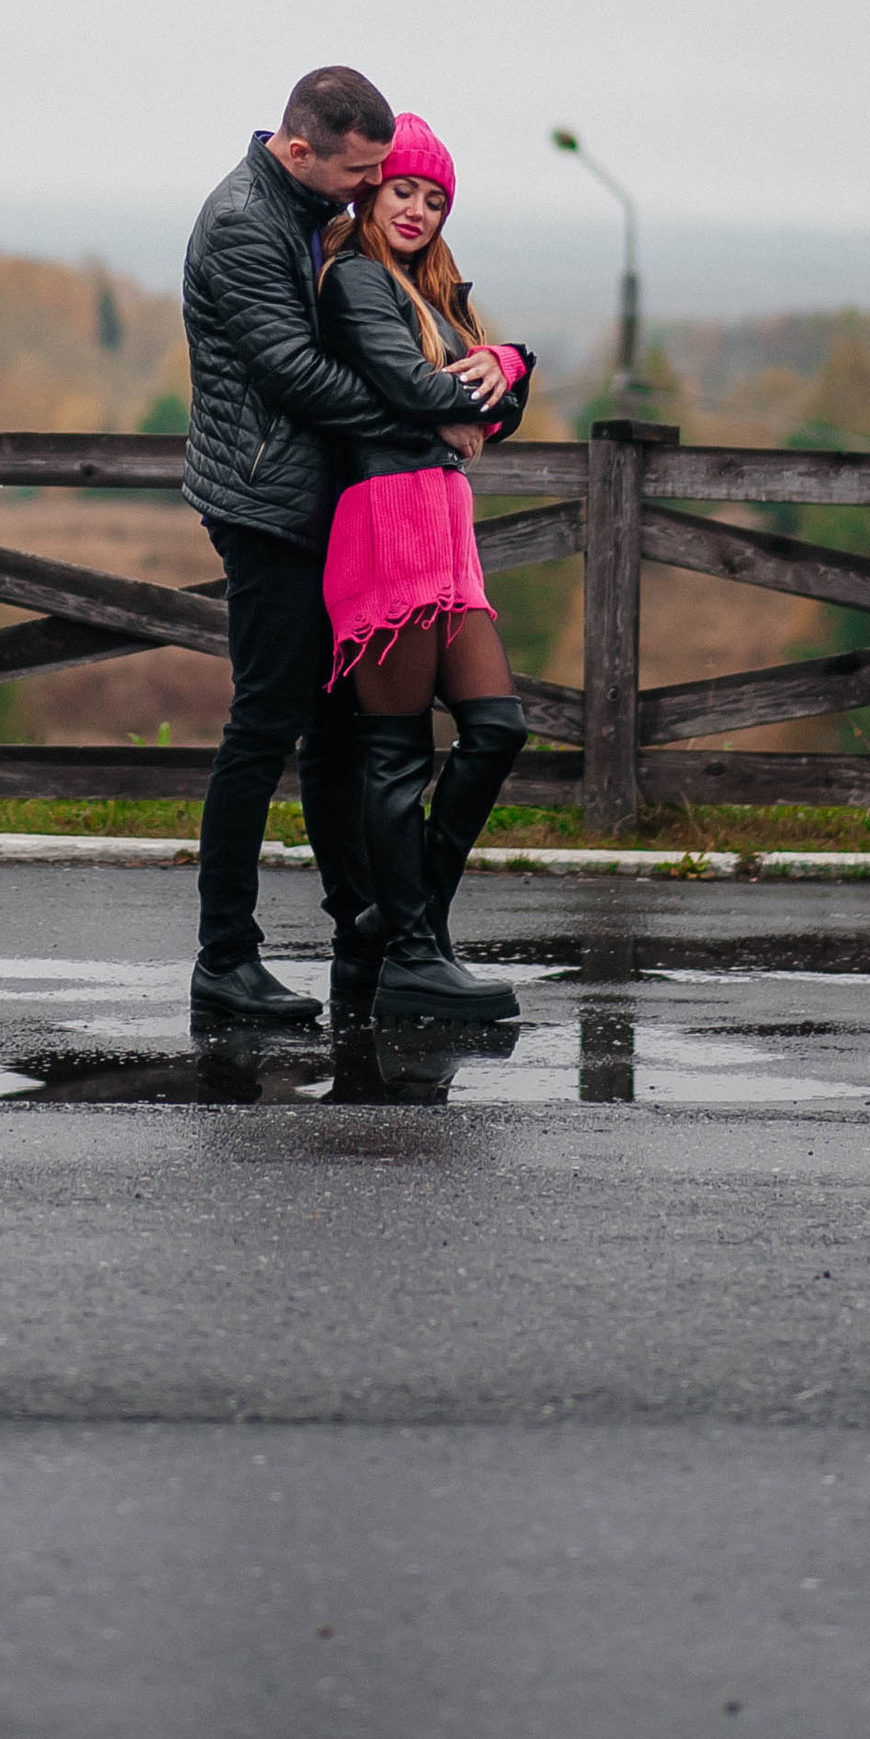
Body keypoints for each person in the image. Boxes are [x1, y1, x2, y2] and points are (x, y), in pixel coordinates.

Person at [180, 67, 505, 1026]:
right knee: (264, 726)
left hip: (317, 507)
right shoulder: (246, 219)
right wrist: (432, 414)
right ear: (299, 150)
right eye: (359, 173)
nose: (369, 191)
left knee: (333, 734)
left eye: (383, 175)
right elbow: (293, 374)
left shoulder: (306, 211)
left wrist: (480, 382)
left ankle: (363, 928)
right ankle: (224, 958)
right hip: (266, 507)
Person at [316, 115, 535, 1021]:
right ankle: (409, 950)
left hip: (445, 527)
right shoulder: (357, 279)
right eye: (404, 188)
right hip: (385, 517)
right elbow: (411, 388)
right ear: (372, 189)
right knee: (398, 752)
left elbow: (495, 398)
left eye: (435, 198)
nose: (417, 209)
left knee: (498, 729)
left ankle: (393, 926)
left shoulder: (434, 291)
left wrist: (508, 364)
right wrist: (468, 396)